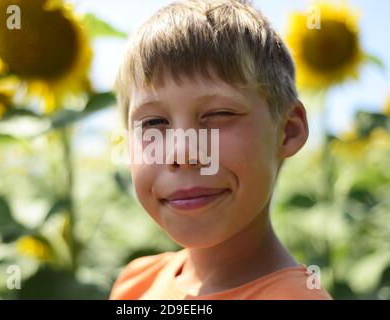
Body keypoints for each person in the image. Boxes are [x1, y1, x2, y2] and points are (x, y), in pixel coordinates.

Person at [109, 0, 332, 300]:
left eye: (218, 115)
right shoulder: (135, 283)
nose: (183, 152)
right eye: (154, 122)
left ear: (288, 130)